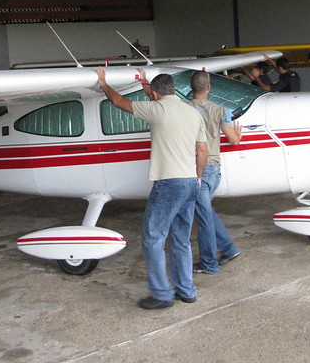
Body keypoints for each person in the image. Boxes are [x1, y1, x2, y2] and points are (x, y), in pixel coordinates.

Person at [97, 67, 207, 310]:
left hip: (168, 183)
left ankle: (161, 294)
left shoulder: (156, 110)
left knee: (153, 237)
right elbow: (202, 151)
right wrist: (198, 178)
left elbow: (118, 102)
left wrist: (103, 83)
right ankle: (186, 290)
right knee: (181, 239)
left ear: (155, 95)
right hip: (190, 181)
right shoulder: (193, 113)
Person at [188, 70, 242, 274]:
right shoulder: (221, 110)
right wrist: (238, 133)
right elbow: (234, 140)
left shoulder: (185, 108)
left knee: (203, 215)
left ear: (191, 89)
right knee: (206, 212)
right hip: (214, 169)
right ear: (209, 88)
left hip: (196, 169)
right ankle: (228, 249)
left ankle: (209, 263)